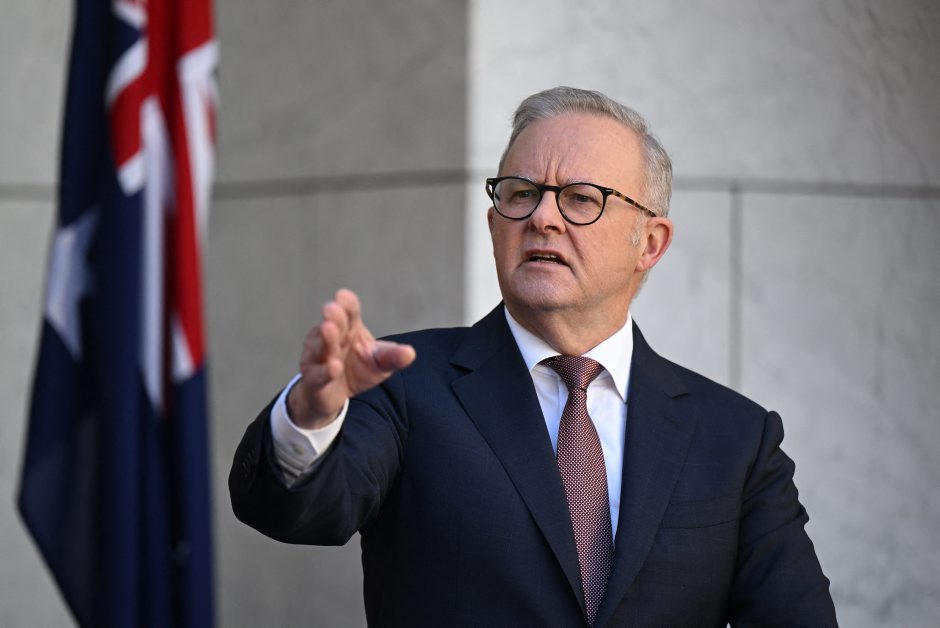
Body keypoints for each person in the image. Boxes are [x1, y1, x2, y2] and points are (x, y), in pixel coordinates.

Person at [230, 86, 837, 626]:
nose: (542, 217)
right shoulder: (404, 384)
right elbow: (300, 512)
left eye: (581, 199)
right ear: (494, 224)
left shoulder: (735, 438)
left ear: (649, 244)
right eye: (521, 193)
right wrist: (312, 414)